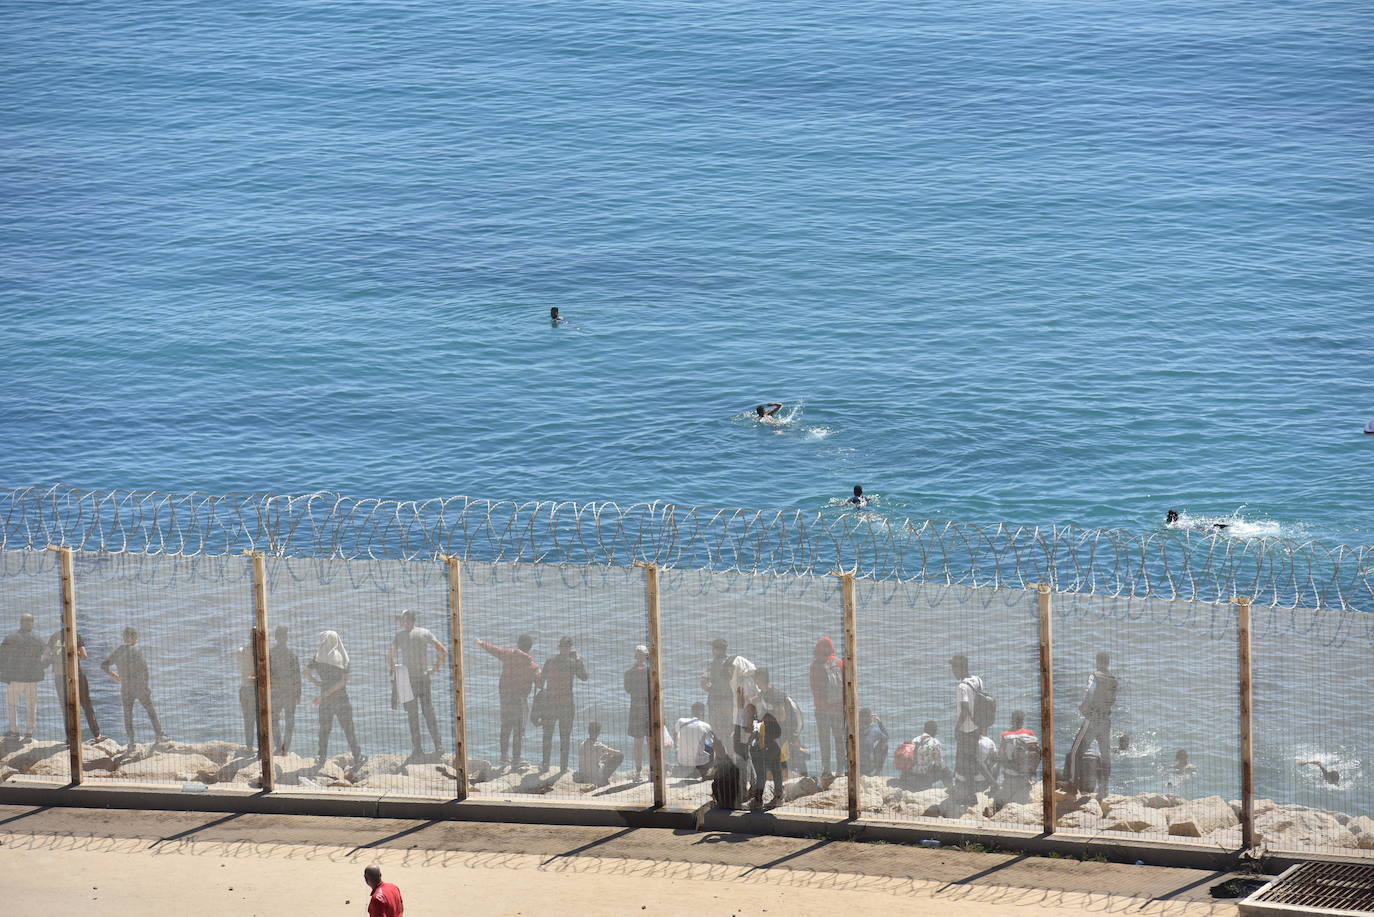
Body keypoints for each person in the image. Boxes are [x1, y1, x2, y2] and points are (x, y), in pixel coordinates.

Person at [388, 610, 448, 759]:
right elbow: (443, 651)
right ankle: (439, 746)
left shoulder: (399, 636)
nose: (400, 623)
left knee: (412, 715)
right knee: (429, 712)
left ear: (406, 621)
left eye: (401, 620)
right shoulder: (425, 633)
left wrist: (395, 669)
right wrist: (435, 668)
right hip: (424, 677)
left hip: (407, 680)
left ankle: (417, 750)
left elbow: (389, 657)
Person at [476, 634, 540, 765]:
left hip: (505, 698)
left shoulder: (508, 654)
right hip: (520, 701)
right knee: (519, 729)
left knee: (505, 727)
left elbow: (494, 650)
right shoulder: (532, 666)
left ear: (518, 644)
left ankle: (503, 757)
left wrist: (481, 643)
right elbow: (539, 683)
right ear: (530, 648)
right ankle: (516, 758)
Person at [101, 627, 165, 747]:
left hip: (125, 688)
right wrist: (146, 686)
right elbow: (144, 670)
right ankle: (159, 735)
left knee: (128, 715)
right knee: (150, 711)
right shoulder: (136, 650)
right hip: (139, 687)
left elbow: (104, 666)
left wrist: (115, 676)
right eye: (136, 637)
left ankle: (131, 741)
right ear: (133, 638)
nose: (136, 639)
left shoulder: (118, 650)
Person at [1065, 652, 1118, 795]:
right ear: (1108, 662)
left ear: (1097, 661)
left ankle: (1071, 783)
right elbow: (1112, 700)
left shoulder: (1094, 676)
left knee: (1075, 752)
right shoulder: (1113, 680)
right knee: (1105, 755)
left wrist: (1083, 707)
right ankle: (1104, 788)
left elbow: (1090, 692)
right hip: (1106, 721)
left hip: (1093, 719)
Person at [307, 630, 361, 765]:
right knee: (348, 728)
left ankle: (321, 757)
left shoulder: (318, 658)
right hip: (341, 698)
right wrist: (329, 691)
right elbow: (343, 681)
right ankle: (357, 756)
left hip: (325, 698)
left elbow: (306, 673)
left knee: (324, 728)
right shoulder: (343, 657)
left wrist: (318, 683)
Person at [42, 627, 103, 741]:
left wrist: (56, 658)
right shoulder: (76, 635)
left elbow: (45, 656)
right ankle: (97, 735)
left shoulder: (54, 636)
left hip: (59, 676)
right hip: (75, 674)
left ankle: (70, 738)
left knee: (65, 707)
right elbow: (84, 655)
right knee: (86, 705)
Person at [537, 636, 587, 771]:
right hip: (567, 704)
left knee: (547, 736)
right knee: (565, 737)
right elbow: (584, 677)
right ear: (570, 648)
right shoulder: (572, 663)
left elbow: (541, 683)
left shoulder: (549, 662)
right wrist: (578, 659)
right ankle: (563, 768)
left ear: (559, 647)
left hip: (550, 703)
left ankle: (545, 765)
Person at [701, 639, 755, 748]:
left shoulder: (710, 665)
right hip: (729, 701)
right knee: (731, 729)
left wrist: (713, 688)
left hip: (715, 701)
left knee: (717, 730)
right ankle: (732, 753)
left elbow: (704, 685)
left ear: (715, 650)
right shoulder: (733, 663)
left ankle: (721, 756)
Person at [1, 614, 47, 741]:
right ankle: (29, 733)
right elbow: (47, 655)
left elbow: (2, 656)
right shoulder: (37, 638)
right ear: (32, 623)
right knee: (31, 705)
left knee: (11, 705)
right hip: (32, 679)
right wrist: (40, 668)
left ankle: (14, 731)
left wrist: (4, 675)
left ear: (20, 622)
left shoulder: (11, 637)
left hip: (15, 678)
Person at [753, 667, 806, 776]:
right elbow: (756, 699)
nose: (754, 681)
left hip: (786, 729)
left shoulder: (775, 695)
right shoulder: (764, 693)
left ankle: (783, 781)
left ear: (761, 678)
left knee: (781, 758)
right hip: (777, 730)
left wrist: (765, 719)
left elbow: (781, 716)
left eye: (755, 679)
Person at [951, 654, 988, 805]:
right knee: (972, 760)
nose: (952, 671)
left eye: (954, 667)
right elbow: (982, 703)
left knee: (964, 763)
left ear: (960, 668)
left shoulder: (962, 687)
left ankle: (969, 796)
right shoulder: (978, 680)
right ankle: (973, 792)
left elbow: (965, 710)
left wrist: (956, 728)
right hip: (977, 727)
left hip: (966, 730)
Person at [809, 637, 846, 777]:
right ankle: (841, 770)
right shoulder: (840, 663)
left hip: (821, 710)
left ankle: (826, 769)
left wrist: (822, 704)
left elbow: (813, 688)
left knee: (824, 741)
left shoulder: (814, 665)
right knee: (839, 739)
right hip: (838, 709)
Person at [995, 711, 1040, 805]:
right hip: (1025, 776)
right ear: (1023, 721)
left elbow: (1001, 757)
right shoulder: (1030, 733)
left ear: (1012, 720)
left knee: (1001, 801)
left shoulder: (1005, 735)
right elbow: (1037, 755)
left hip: (1010, 777)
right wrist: (1031, 771)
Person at [270, 626, 301, 755]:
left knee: (274, 720)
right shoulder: (292, 655)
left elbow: (269, 675)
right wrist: (298, 694)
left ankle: (279, 747)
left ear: (275, 637)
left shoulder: (270, 654)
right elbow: (297, 677)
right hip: (288, 693)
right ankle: (284, 749)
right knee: (289, 722)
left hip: (276, 693)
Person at [748, 709, 785, 810]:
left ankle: (758, 799)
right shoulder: (770, 716)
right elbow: (778, 733)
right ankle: (778, 797)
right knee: (776, 772)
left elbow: (756, 736)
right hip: (771, 747)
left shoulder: (758, 722)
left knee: (761, 774)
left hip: (761, 748)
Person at [623, 645, 651, 778]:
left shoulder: (629, 673)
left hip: (637, 707)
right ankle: (641, 770)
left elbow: (628, 689)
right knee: (643, 741)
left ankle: (642, 771)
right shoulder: (651, 671)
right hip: (647, 707)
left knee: (642, 742)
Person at [899, 721, 952, 790]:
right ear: (934, 731)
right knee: (946, 771)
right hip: (924, 777)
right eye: (936, 730)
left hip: (912, 775)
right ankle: (950, 790)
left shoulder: (915, 740)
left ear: (924, 729)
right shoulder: (935, 742)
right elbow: (939, 763)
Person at [574, 721, 624, 787]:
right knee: (620, 756)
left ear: (589, 731)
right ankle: (604, 779)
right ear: (598, 733)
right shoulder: (599, 745)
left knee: (605, 756)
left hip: (583, 774)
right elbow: (618, 753)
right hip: (594, 776)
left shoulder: (582, 744)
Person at [674, 702, 715, 780]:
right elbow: (712, 743)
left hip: (681, 760)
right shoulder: (705, 725)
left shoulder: (681, 721)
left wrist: (676, 747)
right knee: (712, 748)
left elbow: (675, 733)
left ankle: (689, 770)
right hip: (699, 762)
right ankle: (705, 773)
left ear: (692, 711)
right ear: (703, 712)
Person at [235, 629, 260, 749]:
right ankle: (261, 747)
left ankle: (249, 746)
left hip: (244, 689)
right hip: (257, 690)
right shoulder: (262, 654)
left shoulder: (241, 651)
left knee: (248, 720)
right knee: (261, 719)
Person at [859, 707, 889, 776]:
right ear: (870, 719)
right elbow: (886, 737)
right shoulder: (874, 731)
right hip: (869, 767)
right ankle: (877, 772)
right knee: (885, 745)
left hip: (854, 765)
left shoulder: (853, 730)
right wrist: (879, 722)